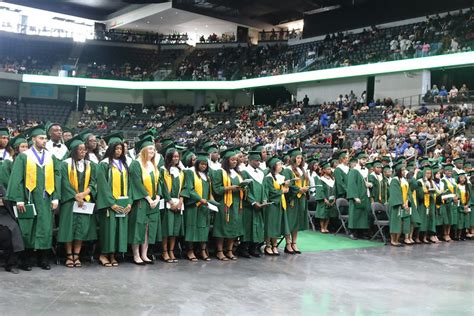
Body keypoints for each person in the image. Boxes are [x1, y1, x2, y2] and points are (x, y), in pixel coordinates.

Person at [6, 125, 61, 270]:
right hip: (28, 198)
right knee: (28, 229)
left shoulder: (51, 157)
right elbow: (16, 179)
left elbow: (57, 177)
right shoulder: (25, 157)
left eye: (45, 138)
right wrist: (18, 199)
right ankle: (26, 260)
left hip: (46, 199)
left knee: (45, 228)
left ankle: (43, 259)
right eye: (41, 138)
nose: (44, 141)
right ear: (33, 139)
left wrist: (55, 197)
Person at [57, 135, 98, 268]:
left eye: (84, 150)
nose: (83, 152)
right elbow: (64, 182)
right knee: (69, 229)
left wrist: (85, 193)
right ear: (74, 150)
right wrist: (75, 195)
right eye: (80, 150)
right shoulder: (65, 164)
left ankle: (77, 254)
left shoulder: (89, 165)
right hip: (70, 201)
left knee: (81, 228)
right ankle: (69, 255)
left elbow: (93, 182)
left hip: (84, 201)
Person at [96, 132, 132, 267]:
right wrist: (111, 203)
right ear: (111, 149)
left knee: (118, 230)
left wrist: (129, 202)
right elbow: (102, 185)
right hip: (109, 205)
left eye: (121, 149)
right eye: (116, 149)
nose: (119, 151)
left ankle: (114, 255)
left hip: (123, 202)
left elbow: (130, 185)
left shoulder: (124, 164)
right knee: (108, 230)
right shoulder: (104, 164)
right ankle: (104, 254)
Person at [128, 136, 162, 265]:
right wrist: (148, 198)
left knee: (148, 229)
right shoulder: (136, 164)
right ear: (143, 150)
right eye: (150, 149)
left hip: (154, 203)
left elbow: (159, 182)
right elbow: (136, 183)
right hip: (141, 202)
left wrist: (158, 197)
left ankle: (144, 254)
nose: (152, 152)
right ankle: (136, 255)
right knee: (139, 228)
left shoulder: (153, 165)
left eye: (154, 150)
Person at [211, 149, 244, 261]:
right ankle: (220, 251)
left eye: (236, 160)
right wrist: (230, 188)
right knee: (222, 227)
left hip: (236, 204)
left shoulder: (238, 173)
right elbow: (216, 189)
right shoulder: (220, 172)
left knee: (234, 227)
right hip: (224, 203)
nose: (235, 162)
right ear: (226, 160)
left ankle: (229, 251)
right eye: (232, 159)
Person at [181, 153, 213, 261]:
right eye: (202, 164)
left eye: (205, 164)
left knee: (204, 228)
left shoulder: (207, 176)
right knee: (191, 228)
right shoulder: (190, 173)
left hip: (204, 206)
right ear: (197, 164)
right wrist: (199, 199)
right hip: (193, 205)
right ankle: (190, 251)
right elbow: (189, 188)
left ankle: (202, 250)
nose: (203, 166)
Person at [281, 148, 309, 254]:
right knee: (290, 221)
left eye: (301, 158)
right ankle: (288, 243)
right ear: (293, 159)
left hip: (301, 198)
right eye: (297, 158)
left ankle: (294, 242)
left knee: (297, 221)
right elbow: (288, 184)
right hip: (292, 199)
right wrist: (299, 189)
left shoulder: (302, 170)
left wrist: (306, 188)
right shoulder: (288, 170)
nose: (299, 160)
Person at [160, 147, 184, 263]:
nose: (176, 158)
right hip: (167, 203)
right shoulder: (163, 170)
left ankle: (171, 251)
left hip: (178, 204)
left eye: (177, 156)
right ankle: (164, 252)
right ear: (169, 157)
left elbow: (184, 187)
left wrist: (180, 201)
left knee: (175, 230)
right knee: (166, 229)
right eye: (174, 156)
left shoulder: (181, 171)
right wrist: (170, 201)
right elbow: (163, 187)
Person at [239, 151, 265, 258]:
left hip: (259, 205)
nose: (258, 162)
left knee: (257, 226)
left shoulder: (261, 173)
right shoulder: (244, 172)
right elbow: (246, 190)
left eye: (259, 160)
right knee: (247, 227)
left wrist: (264, 200)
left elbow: (264, 189)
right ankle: (243, 248)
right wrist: (253, 202)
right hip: (248, 205)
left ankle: (253, 248)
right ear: (249, 161)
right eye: (256, 160)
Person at [263, 156, 290, 255]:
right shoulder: (268, 178)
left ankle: (275, 246)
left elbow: (285, 190)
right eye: (279, 164)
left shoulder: (281, 177)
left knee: (277, 226)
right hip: (272, 204)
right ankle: (268, 246)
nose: (281, 166)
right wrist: (282, 190)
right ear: (273, 166)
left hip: (281, 204)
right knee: (270, 225)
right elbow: (271, 192)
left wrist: (286, 186)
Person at [346, 151, 371, 239]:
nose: (364, 161)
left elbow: (364, 182)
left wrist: (369, 184)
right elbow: (352, 184)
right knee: (354, 214)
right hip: (357, 196)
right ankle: (351, 232)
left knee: (363, 215)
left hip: (365, 195)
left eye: (365, 160)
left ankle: (361, 232)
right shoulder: (354, 171)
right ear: (358, 160)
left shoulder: (366, 170)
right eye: (363, 159)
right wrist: (355, 196)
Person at [388, 162, 410, 247]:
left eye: (404, 170)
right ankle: (393, 240)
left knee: (400, 223)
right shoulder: (394, 180)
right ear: (398, 171)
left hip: (402, 204)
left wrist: (407, 201)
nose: (404, 171)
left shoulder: (403, 180)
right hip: (396, 204)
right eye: (402, 170)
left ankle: (397, 239)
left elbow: (407, 192)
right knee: (395, 222)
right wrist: (402, 203)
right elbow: (395, 193)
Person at [315, 161, 336, 234]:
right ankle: (322, 227)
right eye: (328, 169)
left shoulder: (332, 179)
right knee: (323, 214)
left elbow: (335, 189)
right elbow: (320, 190)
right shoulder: (321, 179)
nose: (329, 170)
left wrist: (334, 199)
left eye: (330, 169)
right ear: (323, 170)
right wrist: (324, 199)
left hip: (331, 199)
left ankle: (326, 227)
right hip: (324, 200)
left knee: (328, 214)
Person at [442, 164, 458, 242]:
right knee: (447, 219)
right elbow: (445, 191)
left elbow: (456, 190)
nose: (449, 172)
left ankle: (448, 233)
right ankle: (445, 234)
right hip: (446, 202)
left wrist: (457, 197)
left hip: (453, 203)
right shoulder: (443, 180)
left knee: (451, 219)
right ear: (444, 172)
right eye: (448, 171)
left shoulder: (453, 180)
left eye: (451, 171)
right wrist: (452, 198)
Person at [455, 172, 470, 240]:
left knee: (465, 221)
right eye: (461, 178)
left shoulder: (467, 187)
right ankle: (457, 235)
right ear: (458, 179)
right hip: (459, 206)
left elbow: (470, 197)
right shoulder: (457, 186)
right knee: (459, 221)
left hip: (466, 206)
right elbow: (457, 196)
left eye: (464, 178)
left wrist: (467, 205)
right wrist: (462, 205)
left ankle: (463, 235)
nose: (462, 179)